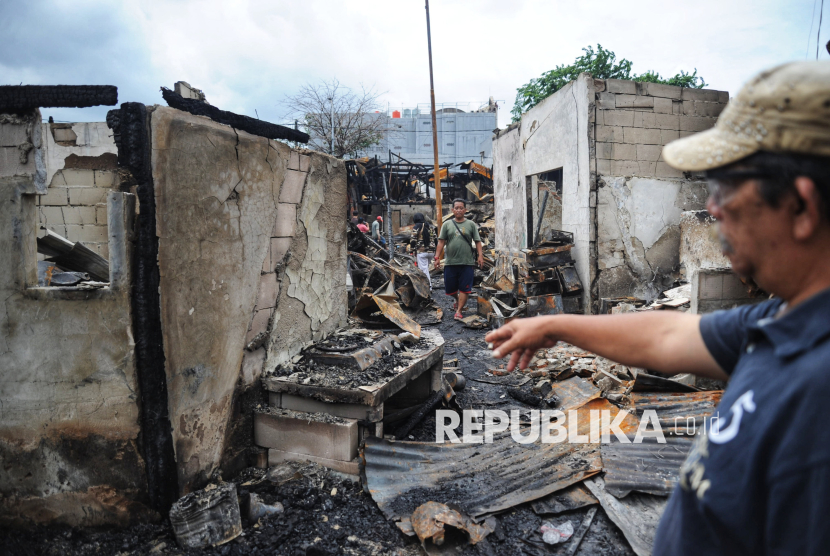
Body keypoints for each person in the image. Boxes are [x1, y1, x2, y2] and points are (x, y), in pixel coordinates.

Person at [486, 61, 830, 555]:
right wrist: (553, 325)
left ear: (801, 207)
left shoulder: (819, 400)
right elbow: (668, 337)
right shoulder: (781, 322)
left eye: (725, 186)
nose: (712, 208)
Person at [435, 198, 483, 320]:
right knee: (450, 289)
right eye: (456, 208)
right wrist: (436, 257)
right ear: (452, 210)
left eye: (461, 208)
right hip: (451, 262)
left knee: (465, 288)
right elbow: (441, 242)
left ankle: (459, 310)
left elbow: (478, 242)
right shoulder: (447, 224)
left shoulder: (471, 224)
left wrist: (480, 256)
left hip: (467, 262)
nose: (459, 210)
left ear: (465, 210)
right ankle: (457, 299)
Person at [411, 213, 435, 289]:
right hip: (431, 252)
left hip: (422, 252)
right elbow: (436, 239)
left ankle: (428, 287)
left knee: (424, 270)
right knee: (426, 268)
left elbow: (413, 240)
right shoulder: (430, 226)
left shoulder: (416, 227)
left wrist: (412, 251)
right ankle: (425, 285)